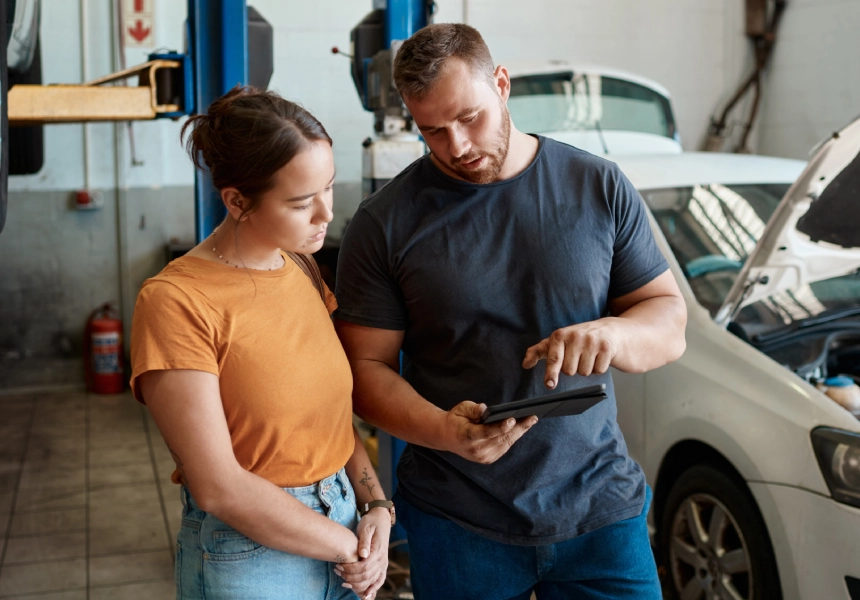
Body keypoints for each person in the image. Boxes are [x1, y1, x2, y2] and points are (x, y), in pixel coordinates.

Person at [333, 24, 687, 600]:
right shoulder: (384, 224)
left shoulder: (597, 185)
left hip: (600, 512)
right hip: (457, 519)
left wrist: (615, 335)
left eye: (468, 117)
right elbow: (364, 375)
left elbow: (668, 322)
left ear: (501, 84)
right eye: (432, 132)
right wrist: (446, 433)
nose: (456, 146)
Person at [129, 86, 393, 600]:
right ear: (236, 201)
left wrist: (375, 505)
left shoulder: (299, 265)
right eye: (300, 202)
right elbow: (218, 485)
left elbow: (330, 422)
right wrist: (344, 545)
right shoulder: (176, 301)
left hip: (344, 525)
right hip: (254, 554)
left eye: (329, 189)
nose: (324, 214)